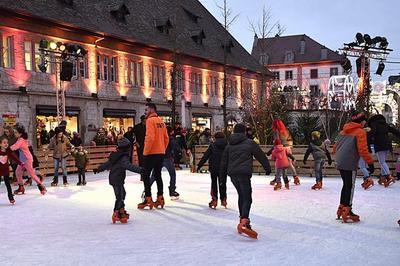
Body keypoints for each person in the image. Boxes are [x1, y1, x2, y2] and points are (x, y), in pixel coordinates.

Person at [220, 124, 271, 239]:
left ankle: (242, 219)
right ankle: (244, 222)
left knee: (242, 196)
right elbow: (261, 155)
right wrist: (267, 168)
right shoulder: (249, 143)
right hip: (243, 174)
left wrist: (222, 179)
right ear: (244, 132)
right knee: (247, 197)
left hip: (233, 175)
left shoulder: (229, 145)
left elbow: (223, 163)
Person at [333, 112, 374, 223]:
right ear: (361, 121)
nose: (365, 122)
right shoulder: (360, 132)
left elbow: (335, 147)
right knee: (350, 186)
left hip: (340, 161)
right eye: (364, 120)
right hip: (349, 162)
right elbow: (363, 150)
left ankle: (342, 207)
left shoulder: (343, 131)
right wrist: (370, 163)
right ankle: (348, 209)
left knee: (346, 185)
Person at [93, 138, 142, 224]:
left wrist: (99, 169)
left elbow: (107, 164)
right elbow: (128, 166)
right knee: (119, 196)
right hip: (117, 179)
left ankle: (121, 210)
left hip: (115, 178)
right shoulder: (123, 157)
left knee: (122, 194)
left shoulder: (116, 155)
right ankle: (116, 212)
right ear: (126, 148)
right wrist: (140, 170)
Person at [137, 103, 169, 210]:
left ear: (151, 109)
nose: (145, 112)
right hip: (160, 152)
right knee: (158, 175)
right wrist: (162, 149)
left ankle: (148, 199)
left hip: (151, 153)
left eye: (146, 110)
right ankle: (160, 198)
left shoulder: (150, 121)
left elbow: (150, 137)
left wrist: (145, 152)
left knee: (145, 175)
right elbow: (166, 138)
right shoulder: (161, 121)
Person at [11, 123, 47, 195]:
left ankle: (42, 187)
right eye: (14, 132)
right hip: (22, 160)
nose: (14, 134)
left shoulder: (21, 140)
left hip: (27, 159)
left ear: (20, 133)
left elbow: (14, 147)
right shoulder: (21, 139)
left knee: (32, 174)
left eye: (16, 132)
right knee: (18, 172)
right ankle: (21, 187)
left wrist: (4, 148)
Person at [197, 131, 227, 209]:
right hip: (223, 168)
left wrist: (199, 165)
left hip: (213, 168)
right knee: (222, 183)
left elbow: (205, 156)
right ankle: (223, 200)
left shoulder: (213, 145)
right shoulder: (227, 145)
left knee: (214, 183)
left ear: (215, 138)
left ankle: (214, 200)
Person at [368, 114, 400, 187]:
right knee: (383, 161)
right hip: (387, 145)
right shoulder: (385, 124)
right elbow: (394, 131)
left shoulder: (374, 124)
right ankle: (383, 177)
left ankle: (388, 176)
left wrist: (368, 140)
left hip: (379, 145)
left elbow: (372, 133)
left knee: (381, 162)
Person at [149, 126, 180, 199]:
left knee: (154, 175)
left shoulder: (158, 137)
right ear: (171, 132)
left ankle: (146, 191)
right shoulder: (170, 138)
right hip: (167, 158)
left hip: (158, 157)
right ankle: (172, 191)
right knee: (172, 174)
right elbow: (175, 147)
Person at [271, 119, 299, 185]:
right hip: (288, 147)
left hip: (281, 148)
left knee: (279, 163)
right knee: (288, 163)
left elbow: (277, 140)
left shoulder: (276, 131)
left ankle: (277, 178)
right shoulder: (285, 130)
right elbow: (289, 139)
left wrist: (274, 146)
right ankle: (295, 177)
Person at [0, 136, 24, 204]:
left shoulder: (8, 151)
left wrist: (20, 163)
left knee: (8, 184)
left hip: (6, 170)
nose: (6, 144)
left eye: (7, 142)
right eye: (4, 143)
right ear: (0, 144)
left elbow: (14, 158)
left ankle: (11, 198)